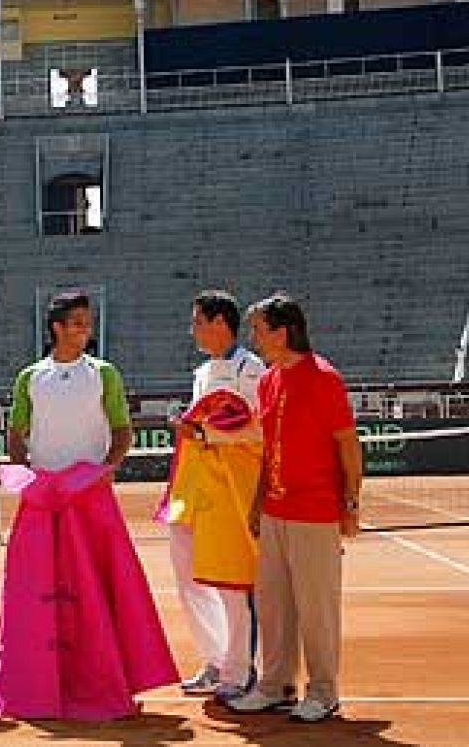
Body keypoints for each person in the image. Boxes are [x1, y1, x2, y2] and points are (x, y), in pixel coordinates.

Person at [0, 291, 175, 720]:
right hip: (42, 498)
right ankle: (34, 684)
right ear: (56, 327)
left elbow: (121, 429)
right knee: (36, 593)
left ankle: (106, 679)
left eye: (87, 324)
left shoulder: (104, 374)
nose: (85, 331)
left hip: (89, 495)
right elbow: (17, 432)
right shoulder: (30, 377)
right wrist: (23, 475)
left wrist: (109, 466)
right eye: (77, 323)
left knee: (101, 587)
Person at [229, 294, 364, 724]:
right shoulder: (268, 381)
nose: (254, 336)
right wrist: (257, 503)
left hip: (316, 511)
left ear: (283, 331)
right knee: (273, 604)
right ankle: (275, 686)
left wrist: (351, 503)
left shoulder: (324, 378)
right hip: (275, 510)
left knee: (316, 606)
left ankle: (324, 691)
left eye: (259, 329)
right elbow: (269, 450)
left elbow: (347, 444)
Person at [161, 291, 266, 701]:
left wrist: (205, 433)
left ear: (220, 323)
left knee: (232, 582)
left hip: (232, 490)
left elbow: (259, 430)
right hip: (195, 487)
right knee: (188, 576)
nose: (193, 330)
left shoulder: (251, 369)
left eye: (198, 321)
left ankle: (239, 672)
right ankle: (215, 659)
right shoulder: (203, 371)